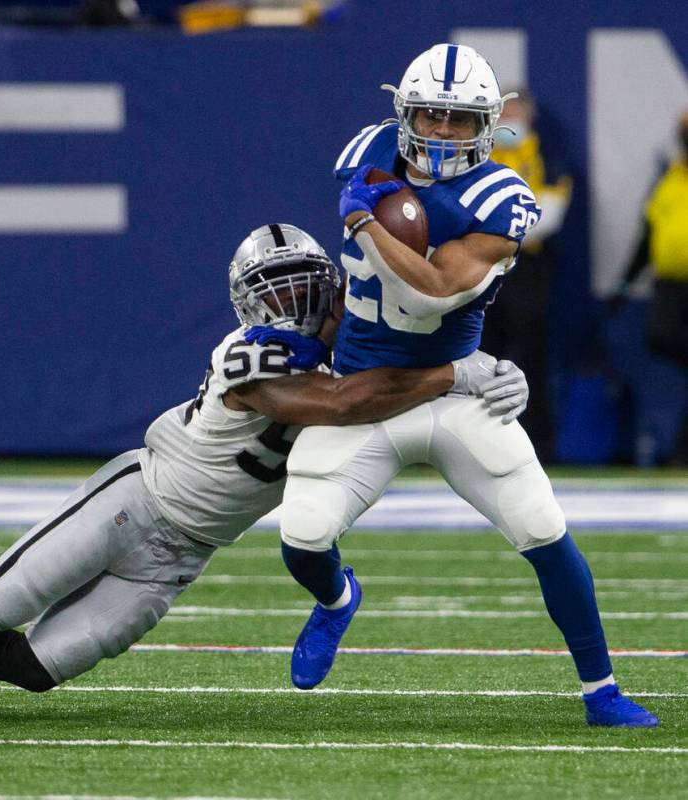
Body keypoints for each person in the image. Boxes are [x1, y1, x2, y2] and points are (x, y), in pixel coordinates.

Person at [0, 223, 528, 720]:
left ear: (328, 286)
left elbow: (410, 374)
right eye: (269, 290)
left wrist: (488, 372)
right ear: (245, 305)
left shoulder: (362, 349)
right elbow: (341, 403)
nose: (286, 303)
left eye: (298, 285)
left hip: (182, 557)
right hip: (138, 500)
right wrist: (452, 376)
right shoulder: (252, 355)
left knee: (32, 671)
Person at [272, 44, 657, 727]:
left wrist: (363, 220)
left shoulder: (501, 196)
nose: (443, 131)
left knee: (542, 527)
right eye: (430, 115)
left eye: (459, 119)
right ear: (403, 112)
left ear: (488, 124)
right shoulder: (367, 150)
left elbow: (432, 296)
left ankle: (601, 690)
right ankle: (336, 599)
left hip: (456, 392)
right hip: (364, 395)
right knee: (301, 533)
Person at [479, 89, 572, 460]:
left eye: (514, 111)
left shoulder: (545, 153)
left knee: (529, 354)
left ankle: (538, 443)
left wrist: (502, 235)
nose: (508, 120)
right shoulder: (481, 152)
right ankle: (475, 441)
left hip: (525, 264)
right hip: (480, 263)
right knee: (479, 351)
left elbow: (551, 210)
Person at [610, 109, 688, 464]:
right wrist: (626, 282)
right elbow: (648, 234)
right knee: (660, 336)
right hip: (670, 283)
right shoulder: (671, 176)